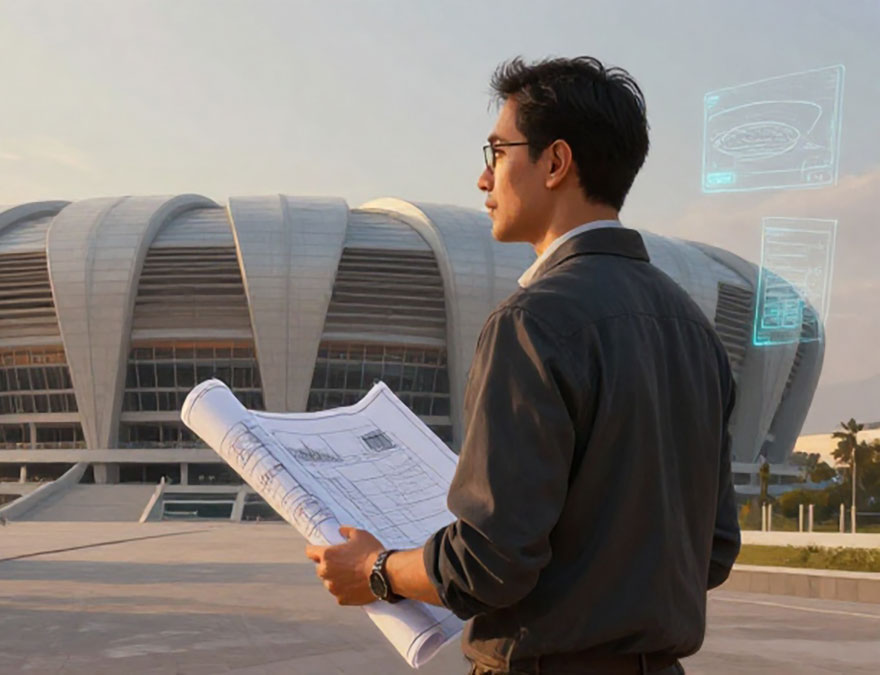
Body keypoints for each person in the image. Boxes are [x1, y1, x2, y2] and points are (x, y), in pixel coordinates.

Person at [305, 56, 739, 675]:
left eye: (497, 152)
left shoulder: (532, 322)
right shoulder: (693, 328)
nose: (484, 178)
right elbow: (714, 551)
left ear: (556, 162)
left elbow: (490, 561)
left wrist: (378, 570)